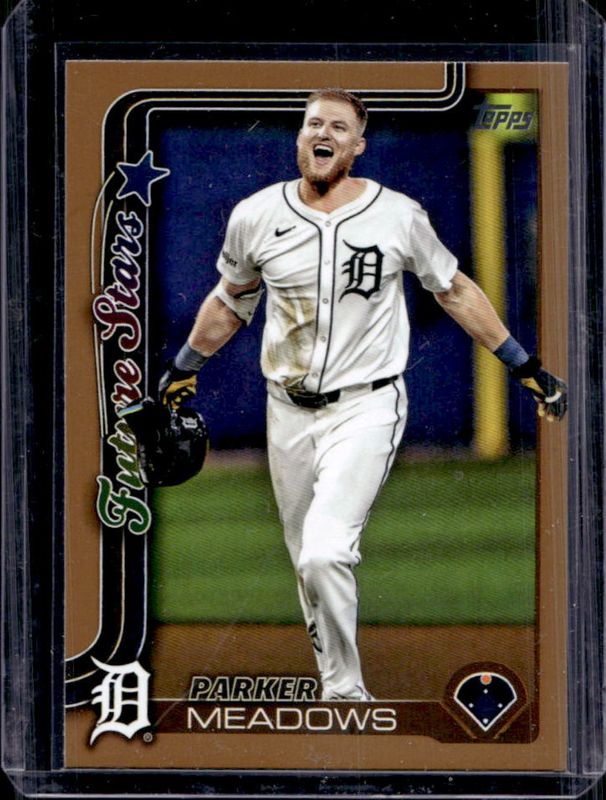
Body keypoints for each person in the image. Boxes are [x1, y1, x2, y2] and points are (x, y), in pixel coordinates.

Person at [158, 88, 567, 701]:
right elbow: (230, 300)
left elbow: (453, 289)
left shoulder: (397, 215)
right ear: (300, 137)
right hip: (286, 412)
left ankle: (347, 695)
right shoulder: (255, 215)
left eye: (338, 127)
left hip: (367, 405)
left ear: (358, 146)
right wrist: (184, 366)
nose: (323, 133)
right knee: (307, 558)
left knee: (324, 553)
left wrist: (523, 364)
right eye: (313, 123)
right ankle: (337, 687)